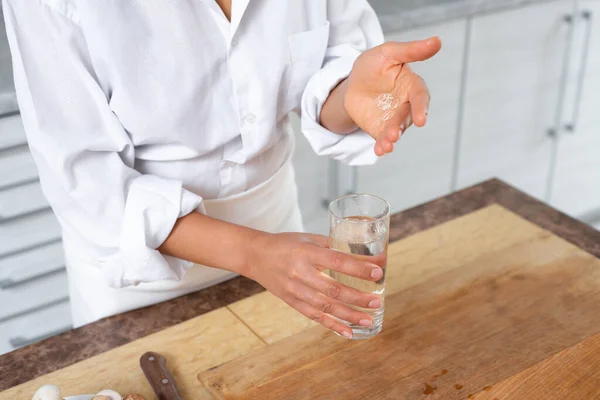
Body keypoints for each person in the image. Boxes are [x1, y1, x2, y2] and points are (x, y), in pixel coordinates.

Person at [3, 0, 441, 339]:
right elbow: (88, 185)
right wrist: (253, 254)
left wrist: (351, 94)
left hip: (282, 239)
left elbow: (323, 65)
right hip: (140, 271)